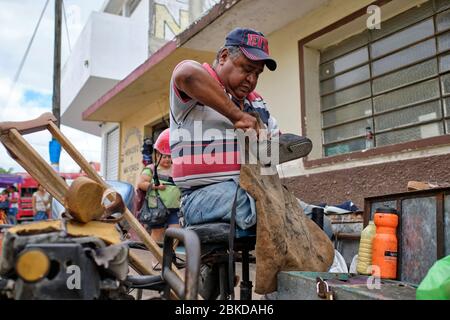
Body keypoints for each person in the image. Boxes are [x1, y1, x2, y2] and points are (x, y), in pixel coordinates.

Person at [169, 27, 312, 230]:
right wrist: (237, 115)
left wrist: (277, 147)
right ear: (224, 57)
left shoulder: (257, 103)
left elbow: (273, 147)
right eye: (246, 69)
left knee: (313, 218)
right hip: (200, 197)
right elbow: (186, 74)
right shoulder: (196, 88)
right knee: (264, 206)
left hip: (252, 190)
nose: (251, 80)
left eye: (257, 74)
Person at [136, 128, 181, 244]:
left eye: (169, 156)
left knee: (176, 232)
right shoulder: (151, 168)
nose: (167, 159)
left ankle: (171, 257)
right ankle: (154, 260)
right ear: (157, 156)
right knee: (157, 233)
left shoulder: (176, 169)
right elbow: (141, 184)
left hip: (174, 208)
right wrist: (155, 186)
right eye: (164, 156)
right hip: (157, 207)